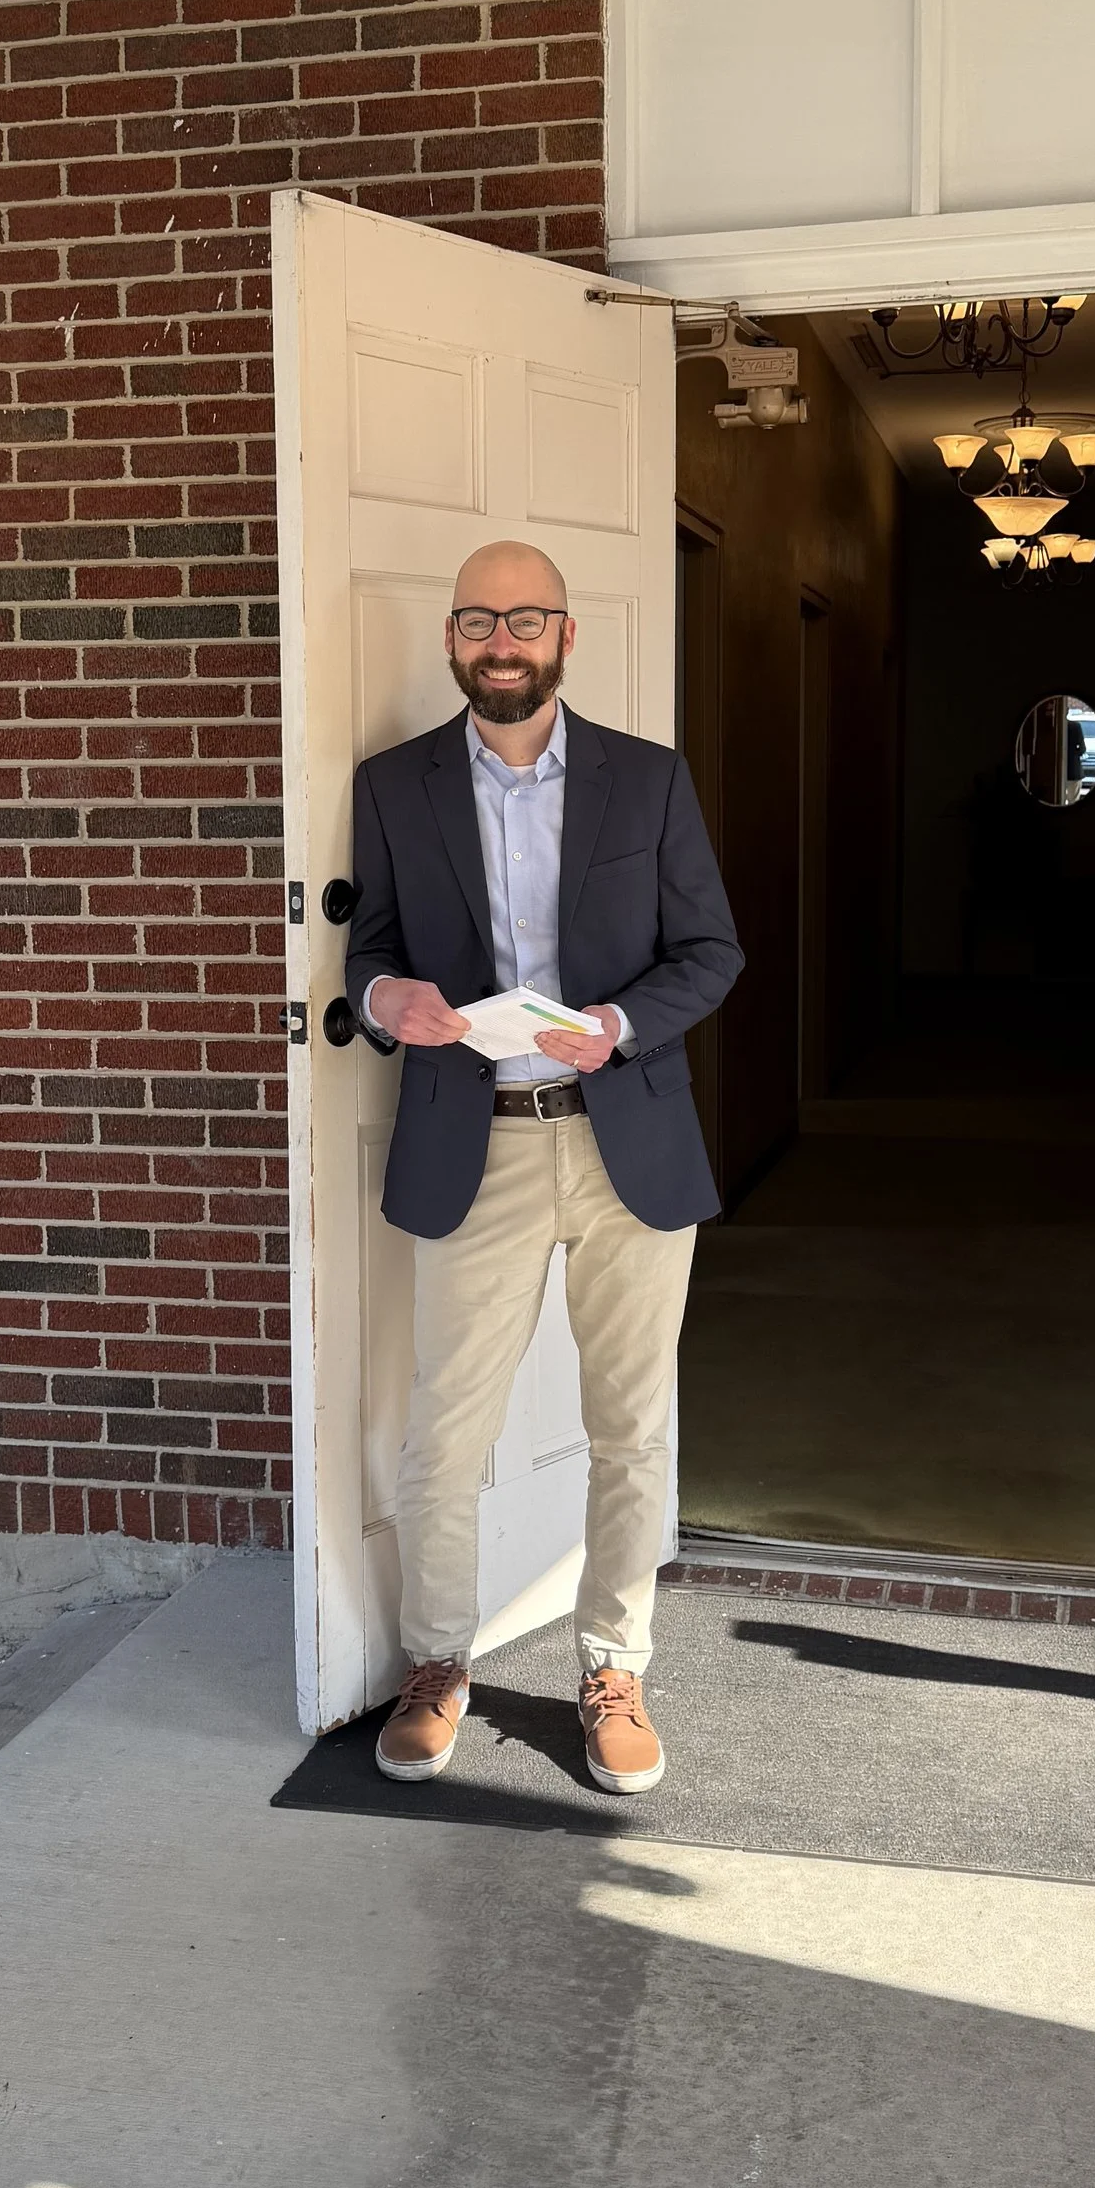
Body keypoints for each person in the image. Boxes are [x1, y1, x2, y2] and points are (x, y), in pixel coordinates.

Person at [343, 540, 744, 1794]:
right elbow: (373, 948)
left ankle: (614, 1665)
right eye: (475, 619)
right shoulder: (394, 784)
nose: (498, 641)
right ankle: (436, 1663)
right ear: (452, 638)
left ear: (566, 636)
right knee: (444, 1430)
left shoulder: (648, 781)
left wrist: (621, 1024)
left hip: (628, 1133)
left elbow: (710, 952)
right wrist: (381, 994)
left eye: (524, 618)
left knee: (629, 1427)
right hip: (480, 1144)